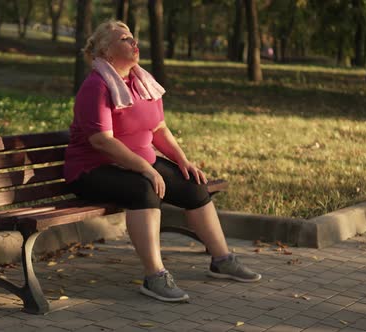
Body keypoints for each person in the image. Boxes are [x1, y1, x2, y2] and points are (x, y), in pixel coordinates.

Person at [64, 20, 261, 303]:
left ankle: (222, 260)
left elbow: (159, 130)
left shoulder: (142, 82)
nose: (134, 43)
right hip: (92, 170)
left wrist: (183, 161)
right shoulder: (96, 86)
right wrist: (146, 168)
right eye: (125, 39)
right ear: (106, 51)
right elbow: (101, 141)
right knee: (143, 190)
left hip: (136, 165)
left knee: (195, 186)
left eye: (133, 38)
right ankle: (154, 276)